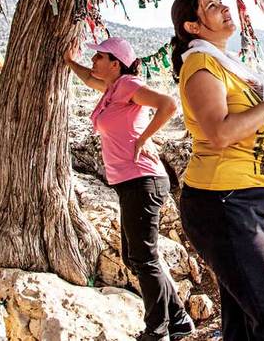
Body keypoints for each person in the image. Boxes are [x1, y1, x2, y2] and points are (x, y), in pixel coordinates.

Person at [170, 0, 264, 341]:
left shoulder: (225, 64)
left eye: (221, 2)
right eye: (211, 6)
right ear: (193, 26)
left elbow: (244, 118)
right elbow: (219, 133)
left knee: (244, 325)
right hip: (223, 203)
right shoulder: (200, 64)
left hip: (243, 203)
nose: (223, 8)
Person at [64, 36, 195, 341]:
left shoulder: (126, 86)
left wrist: (143, 138)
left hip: (143, 179)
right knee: (135, 257)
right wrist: (69, 62)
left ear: (116, 63)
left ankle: (156, 329)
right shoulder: (111, 91)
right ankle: (178, 319)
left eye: (100, 57)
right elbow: (86, 76)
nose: (94, 61)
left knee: (144, 257)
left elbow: (168, 103)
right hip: (129, 182)